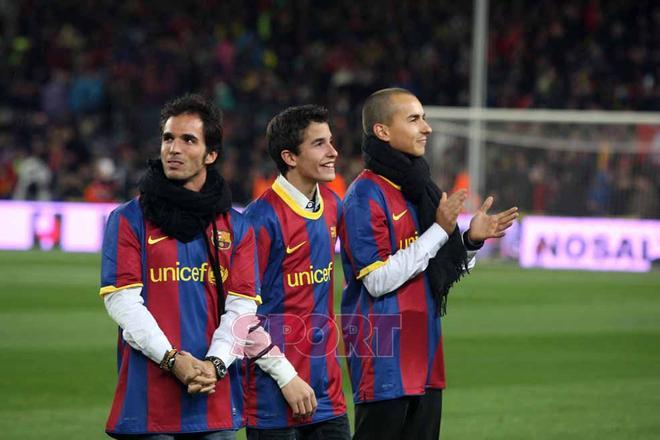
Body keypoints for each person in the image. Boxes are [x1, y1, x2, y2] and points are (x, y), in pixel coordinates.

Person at [99, 94, 311, 439]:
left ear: (211, 155)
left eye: (188, 140)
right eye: (168, 138)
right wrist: (173, 359)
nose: (174, 149)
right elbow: (122, 303)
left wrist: (212, 365)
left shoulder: (236, 228)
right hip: (149, 400)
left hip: (214, 395)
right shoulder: (128, 219)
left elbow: (242, 310)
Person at [339, 88, 518, 440]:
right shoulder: (364, 196)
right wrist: (439, 230)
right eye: (414, 119)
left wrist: (468, 242)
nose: (427, 128)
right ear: (383, 131)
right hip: (383, 358)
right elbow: (377, 280)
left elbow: (433, 267)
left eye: (424, 117)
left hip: (424, 352)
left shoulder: (418, 189)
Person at [243, 105, 350, 439]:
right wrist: (286, 376)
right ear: (289, 157)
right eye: (319, 144)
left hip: (327, 393)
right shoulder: (259, 220)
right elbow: (239, 317)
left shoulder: (334, 205)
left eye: (330, 141)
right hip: (274, 395)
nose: (333, 151)